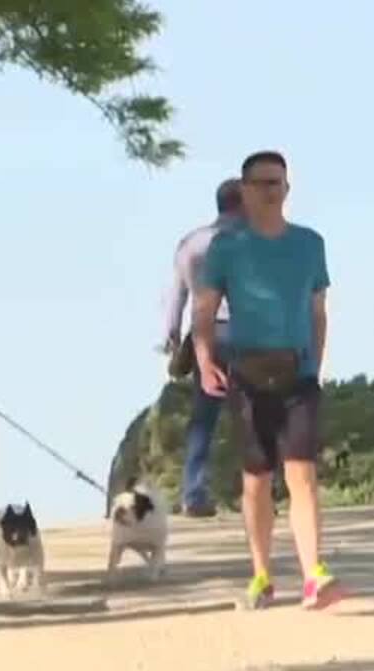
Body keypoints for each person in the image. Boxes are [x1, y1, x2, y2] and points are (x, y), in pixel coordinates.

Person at [192, 150, 340, 611]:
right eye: (260, 183)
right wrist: (203, 358)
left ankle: (313, 573)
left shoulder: (310, 244)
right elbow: (205, 308)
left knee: (302, 472)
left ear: (288, 189)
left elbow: (318, 310)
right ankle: (262, 575)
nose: (270, 190)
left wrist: (315, 363)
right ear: (244, 190)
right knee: (256, 478)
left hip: (298, 371)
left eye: (277, 182)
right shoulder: (226, 248)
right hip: (247, 372)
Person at [161, 178, 244, 517]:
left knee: (203, 417)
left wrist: (171, 334)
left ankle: (193, 492)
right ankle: (259, 490)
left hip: (204, 335)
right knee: (253, 413)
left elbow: (176, 293)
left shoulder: (191, 242)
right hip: (243, 330)